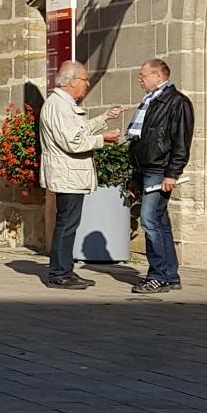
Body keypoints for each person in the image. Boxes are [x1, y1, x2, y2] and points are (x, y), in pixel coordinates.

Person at [39, 61, 123, 289]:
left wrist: (104, 117)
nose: (88, 84)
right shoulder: (57, 105)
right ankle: (59, 273)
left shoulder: (64, 104)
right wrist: (103, 139)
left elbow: (78, 130)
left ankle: (66, 270)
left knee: (69, 225)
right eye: (85, 80)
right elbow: (72, 142)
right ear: (73, 81)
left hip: (71, 174)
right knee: (66, 225)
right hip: (67, 174)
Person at [126, 58, 194, 294]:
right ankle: (170, 274)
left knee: (150, 220)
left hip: (159, 169)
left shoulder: (176, 102)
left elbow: (181, 142)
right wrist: (135, 176)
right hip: (146, 168)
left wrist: (172, 173)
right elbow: (139, 140)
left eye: (143, 76)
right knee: (160, 221)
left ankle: (157, 275)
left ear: (157, 75)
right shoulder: (151, 102)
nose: (140, 80)